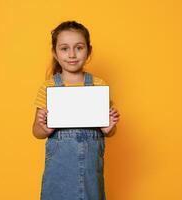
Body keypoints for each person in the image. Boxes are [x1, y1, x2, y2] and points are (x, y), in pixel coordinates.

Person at [32, 20, 120, 200]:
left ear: (88, 50)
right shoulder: (48, 87)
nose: (72, 54)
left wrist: (109, 128)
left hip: (90, 175)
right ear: (55, 53)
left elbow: (110, 131)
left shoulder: (99, 85)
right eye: (64, 48)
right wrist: (43, 127)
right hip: (58, 173)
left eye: (79, 47)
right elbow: (36, 131)